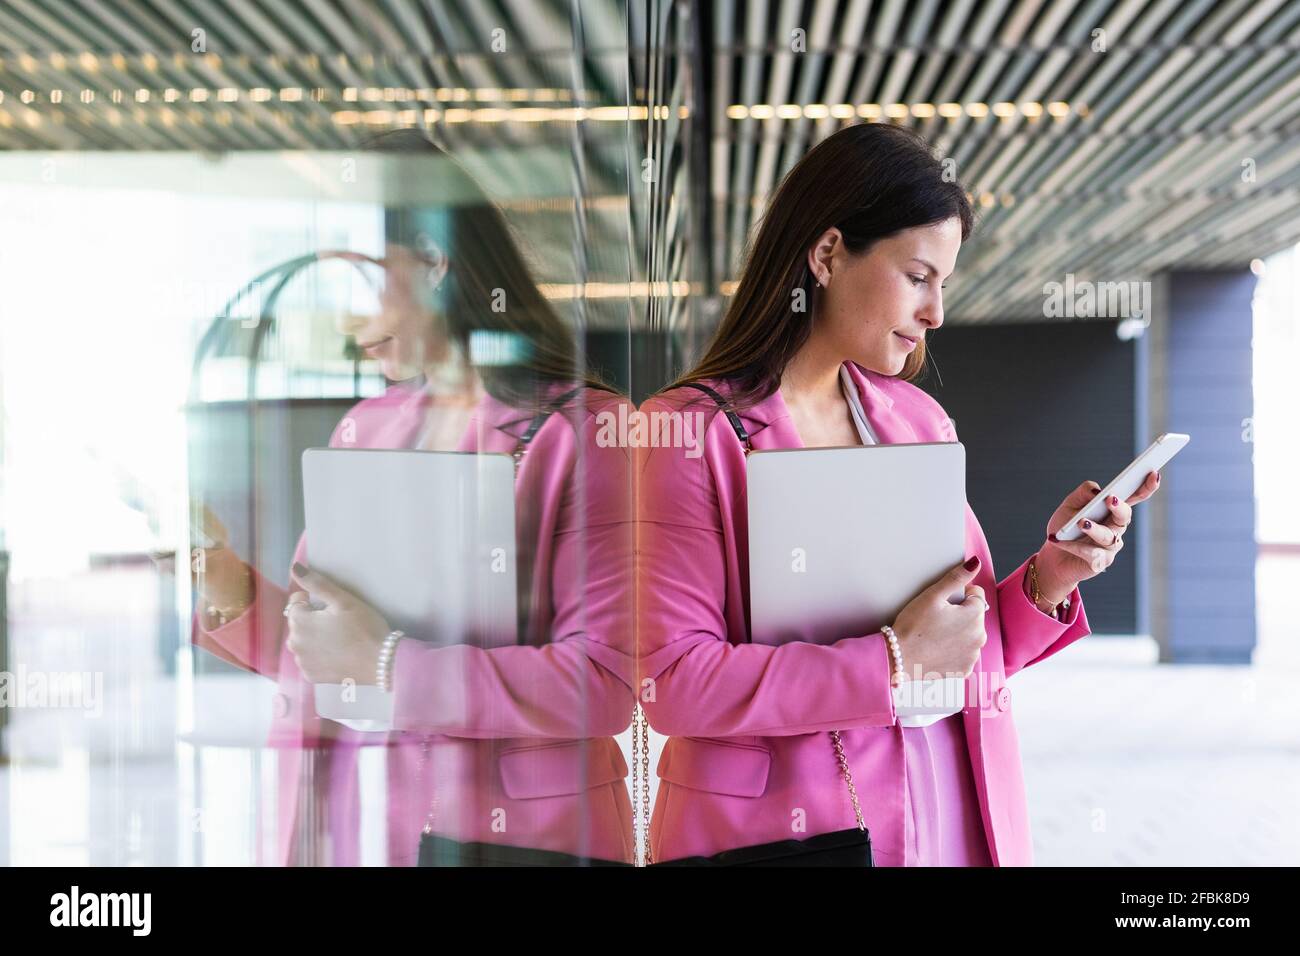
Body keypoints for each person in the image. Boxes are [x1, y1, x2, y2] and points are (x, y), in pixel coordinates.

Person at [635, 122, 1160, 866]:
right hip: (790, 835)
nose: (935, 312)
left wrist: (1053, 575)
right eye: (918, 277)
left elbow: (956, 649)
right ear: (826, 255)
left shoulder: (915, 421)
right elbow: (673, 682)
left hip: (951, 803)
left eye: (943, 283)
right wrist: (888, 663)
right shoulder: (690, 436)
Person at [191, 133, 635, 866]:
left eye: (356, 276)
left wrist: (391, 662)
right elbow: (329, 652)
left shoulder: (586, 432)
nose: (341, 317)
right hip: (353, 822)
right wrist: (224, 580)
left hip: (509, 839)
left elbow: (604, 682)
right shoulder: (367, 427)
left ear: (432, 263)